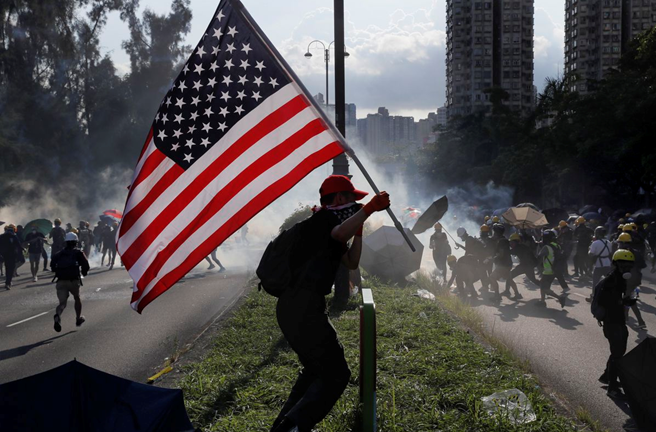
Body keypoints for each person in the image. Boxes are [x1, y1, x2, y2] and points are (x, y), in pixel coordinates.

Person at [270, 175, 390, 432]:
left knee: (314, 370)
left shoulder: (326, 225)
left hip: (297, 308)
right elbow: (337, 232)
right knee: (337, 374)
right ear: (338, 199)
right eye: (352, 200)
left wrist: (358, 229)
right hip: (302, 307)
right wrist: (369, 209)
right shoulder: (324, 220)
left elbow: (351, 262)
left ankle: (284, 426)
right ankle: (294, 426)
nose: (355, 205)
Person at [595, 249, 637, 400]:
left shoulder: (620, 280)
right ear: (616, 264)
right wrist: (622, 302)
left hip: (618, 320)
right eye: (623, 264)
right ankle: (612, 387)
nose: (626, 267)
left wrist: (628, 300)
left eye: (629, 265)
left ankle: (607, 376)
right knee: (617, 354)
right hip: (611, 322)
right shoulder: (610, 281)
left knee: (618, 351)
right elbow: (603, 301)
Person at [51, 232, 90, 332]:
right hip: (73, 281)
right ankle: (78, 318)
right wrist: (84, 273)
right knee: (77, 298)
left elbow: (52, 266)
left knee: (62, 304)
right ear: (76, 242)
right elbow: (86, 266)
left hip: (61, 281)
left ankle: (58, 315)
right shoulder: (78, 253)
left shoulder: (59, 254)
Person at [537, 230, 568, 308]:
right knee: (543, 285)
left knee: (544, 287)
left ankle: (560, 298)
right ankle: (542, 301)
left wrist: (539, 247)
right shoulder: (557, 245)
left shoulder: (546, 247)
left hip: (548, 270)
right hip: (555, 270)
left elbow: (539, 256)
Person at [489, 224, 520, 300]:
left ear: (496, 233)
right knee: (508, 278)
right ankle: (517, 294)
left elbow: (501, 254)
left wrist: (492, 258)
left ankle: (497, 296)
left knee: (492, 277)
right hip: (507, 263)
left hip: (503, 264)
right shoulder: (504, 240)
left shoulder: (501, 241)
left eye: (494, 232)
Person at [587, 226, 613, 302]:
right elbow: (610, 253)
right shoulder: (609, 242)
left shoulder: (595, 243)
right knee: (609, 281)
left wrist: (589, 249)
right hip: (607, 263)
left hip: (598, 265)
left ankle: (593, 297)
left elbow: (591, 254)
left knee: (595, 282)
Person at [0, 225, 22, 289]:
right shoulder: (13, 236)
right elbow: (18, 245)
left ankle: (8, 282)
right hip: (12, 255)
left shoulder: (2, 236)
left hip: (5, 255)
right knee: (11, 269)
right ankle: (8, 282)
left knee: (7, 268)